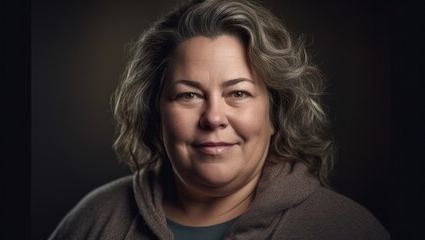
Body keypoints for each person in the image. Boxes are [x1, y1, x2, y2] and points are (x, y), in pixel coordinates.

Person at [49, 0, 390, 239]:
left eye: (238, 93)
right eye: (188, 95)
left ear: (276, 113)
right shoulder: (93, 222)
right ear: (156, 115)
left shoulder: (345, 229)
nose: (213, 117)